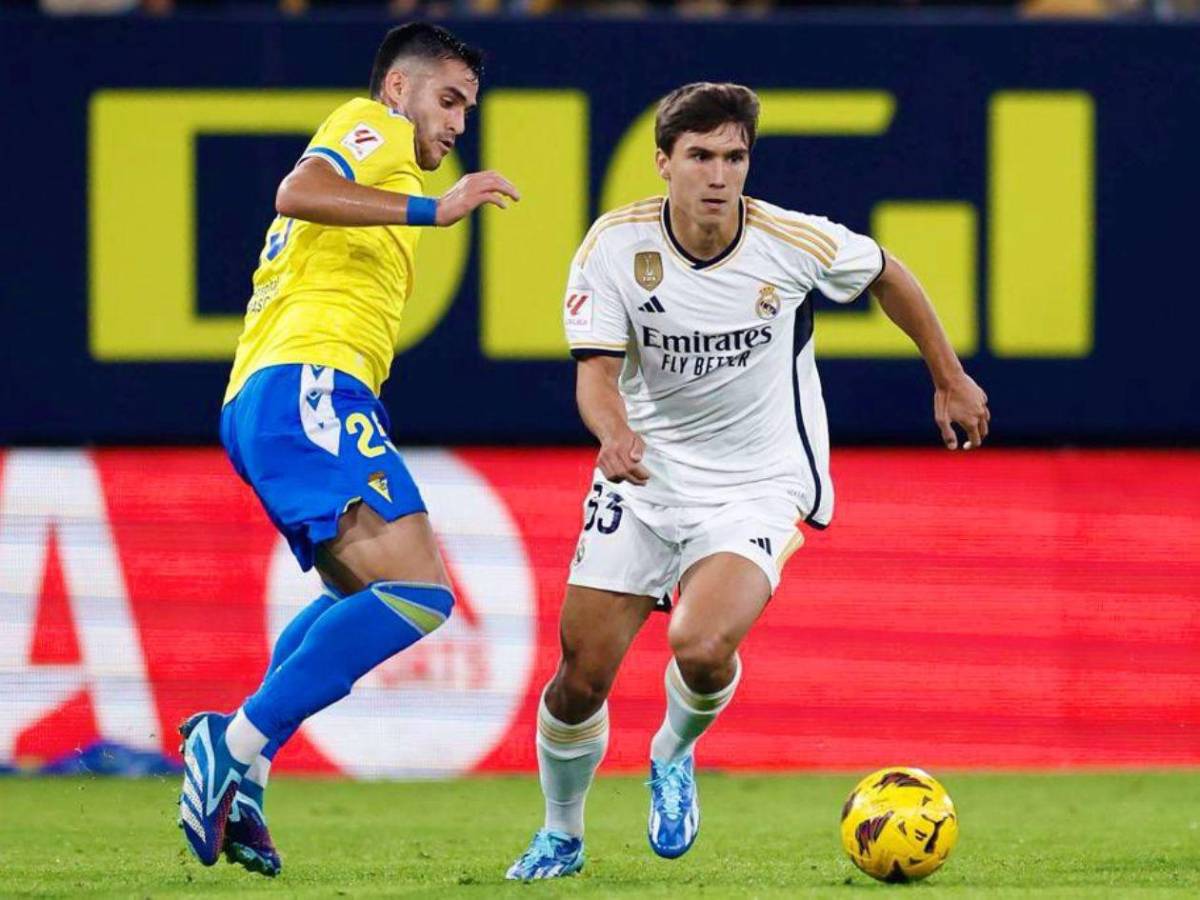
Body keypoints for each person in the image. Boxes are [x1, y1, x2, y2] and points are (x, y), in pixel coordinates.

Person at [506, 81, 989, 880]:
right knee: (579, 679)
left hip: (756, 484)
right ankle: (562, 832)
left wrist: (949, 377)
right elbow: (594, 374)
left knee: (699, 645)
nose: (718, 174)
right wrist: (613, 433)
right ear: (663, 162)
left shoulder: (790, 241)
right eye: (699, 156)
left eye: (733, 156)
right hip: (644, 478)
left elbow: (888, 273)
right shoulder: (613, 246)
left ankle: (672, 750)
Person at [176, 22, 519, 876]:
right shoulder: (372, 129)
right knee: (418, 594)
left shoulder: (389, 153)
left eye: (467, 109)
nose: (456, 124)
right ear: (397, 90)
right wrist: (433, 209)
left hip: (271, 394)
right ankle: (236, 739)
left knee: (355, 592)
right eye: (448, 100)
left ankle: (245, 774)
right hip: (310, 383)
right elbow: (297, 190)